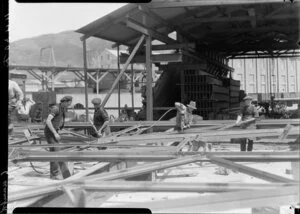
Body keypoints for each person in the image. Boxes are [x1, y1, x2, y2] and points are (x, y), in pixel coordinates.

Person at [44, 96, 73, 180]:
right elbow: (48, 121)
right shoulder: (56, 108)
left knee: (56, 152)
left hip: (54, 131)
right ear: (64, 102)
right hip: (50, 133)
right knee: (56, 153)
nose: (68, 106)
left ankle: (55, 173)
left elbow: (57, 120)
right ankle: (54, 174)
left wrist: (59, 129)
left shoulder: (62, 108)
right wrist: (55, 133)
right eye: (68, 104)